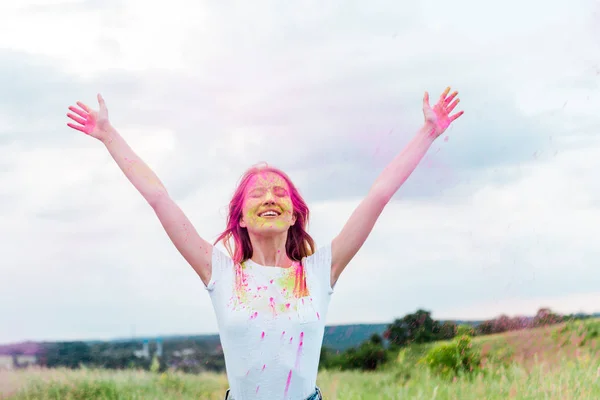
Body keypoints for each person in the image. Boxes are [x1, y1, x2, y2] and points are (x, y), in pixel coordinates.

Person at [66, 87, 463, 400]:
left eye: (279, 192)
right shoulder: (220, 272)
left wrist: (428, 132)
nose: (270, 197)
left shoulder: (319, 270)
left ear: (293, 215)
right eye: (257, 193)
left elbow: (378, 195)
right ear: (240, 217)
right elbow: (160, 198)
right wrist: (109, 136)